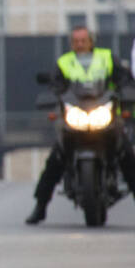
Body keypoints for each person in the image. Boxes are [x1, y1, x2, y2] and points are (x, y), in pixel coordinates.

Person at [25, 24, 135, 224]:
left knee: (127, 155)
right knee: (56, 159)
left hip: (106, 114)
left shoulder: (107, 58)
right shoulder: (65, 62)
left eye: (83, 40)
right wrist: (52, 95)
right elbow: (55, 85)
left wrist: (126, 92)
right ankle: (40, 206)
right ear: (71, 43)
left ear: (91, 41)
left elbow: (124, 79)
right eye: (76, 41)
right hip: (74, 116)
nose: (80, 44)